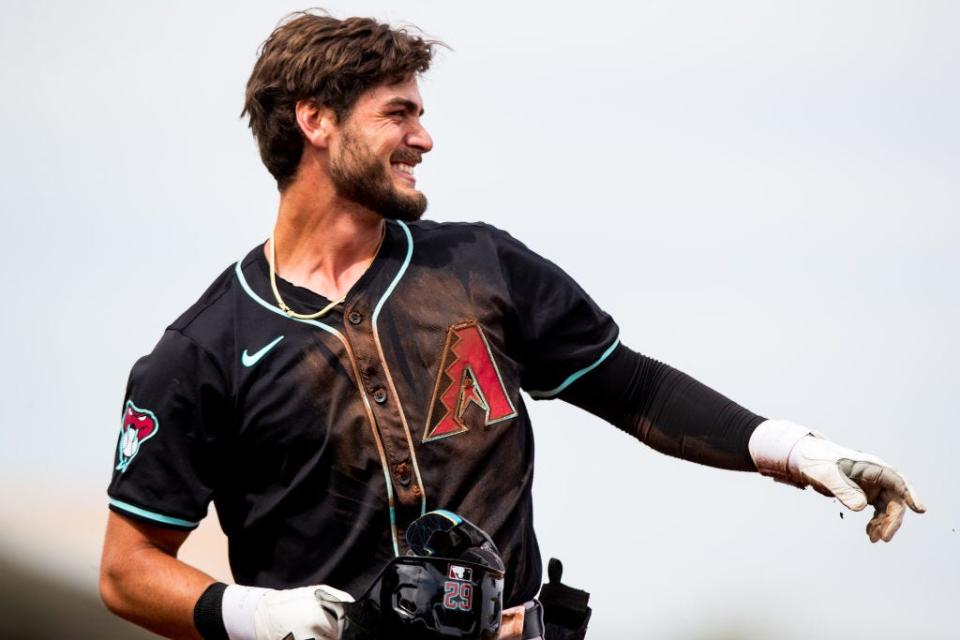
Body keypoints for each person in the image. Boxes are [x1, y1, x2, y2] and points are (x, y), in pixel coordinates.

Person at [99, 11, 926, 640]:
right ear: (316, 121)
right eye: (398, 114)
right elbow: (127, 570)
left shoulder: (482, 268)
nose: (424, 137)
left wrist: (797, 450)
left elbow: (631, 385)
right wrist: (257, 615)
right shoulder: (202, 350)